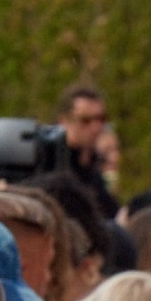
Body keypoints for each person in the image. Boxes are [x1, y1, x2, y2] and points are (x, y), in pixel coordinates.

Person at [54, 84, 119, 220]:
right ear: (64, 122)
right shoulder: (54, 164)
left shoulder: (96, 166)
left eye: (101, 119)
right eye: (85, 121)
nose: (96, 127)